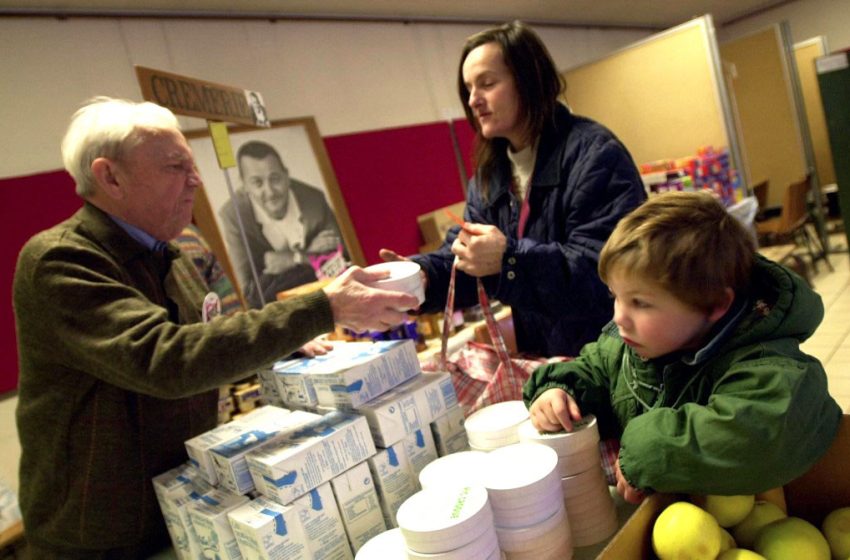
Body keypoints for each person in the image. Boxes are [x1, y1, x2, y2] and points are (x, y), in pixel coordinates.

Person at [12, 96, 418, 558]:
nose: (196, 180)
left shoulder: (172, 250)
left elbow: (212, 333)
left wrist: (283, 343)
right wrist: (320, 308)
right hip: (98, 540)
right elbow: (167, 359)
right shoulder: (60, 261)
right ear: (110, 177)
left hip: (180, 507)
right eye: (175, 167)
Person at [523, 191, 842, 504]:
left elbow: (765, 433)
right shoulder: (628, 345)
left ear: (715, 303)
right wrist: (559, 389)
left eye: (641, 303)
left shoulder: (763, 362)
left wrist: (647, 453)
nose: (619, 317)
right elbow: (593, 368)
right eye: (615, 296)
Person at [380, 20, 646, 358]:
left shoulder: (595, 156)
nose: (474, 100)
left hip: (617, 358)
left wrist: (509, 259)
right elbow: (466, 259)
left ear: (530, 80)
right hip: (553, 366)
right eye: (468, 89)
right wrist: (419, 277)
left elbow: (608, 275)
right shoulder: (490, 176)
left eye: (487, 84)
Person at [219, 140, 347, 308]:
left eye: (275, 179)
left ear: (287, 176)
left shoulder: (314, 199)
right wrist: (308, 256)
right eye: (257, 183)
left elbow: (341, 264)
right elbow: (251, 294)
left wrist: (290, 260)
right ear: (245, 186)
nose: (270, 192)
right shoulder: (233, 216)